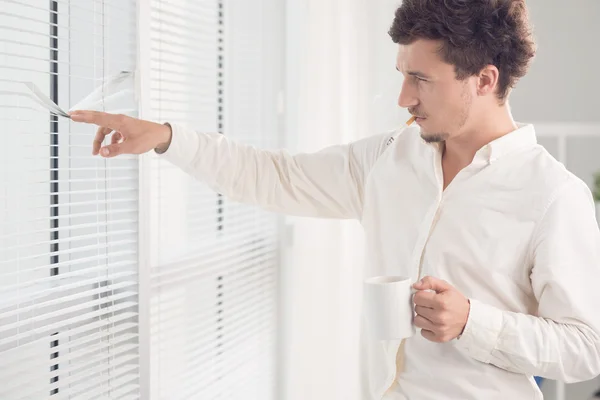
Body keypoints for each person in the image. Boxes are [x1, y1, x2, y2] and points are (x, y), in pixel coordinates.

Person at [69, 0, 600, 399]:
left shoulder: (553, 196)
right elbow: (275, 176)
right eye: (402, 75)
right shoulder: (390, 158)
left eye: (421, 79)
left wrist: (471, 323)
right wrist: (165, 137)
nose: (404, 98)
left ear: (484, 80)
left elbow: (584, 348)